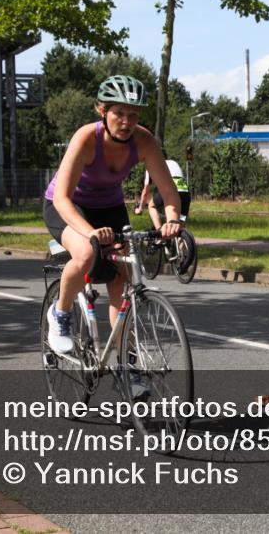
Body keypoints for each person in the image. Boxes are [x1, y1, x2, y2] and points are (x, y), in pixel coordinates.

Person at [43, 75, 183, 365]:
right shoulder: (85, 138)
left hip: (109, 206)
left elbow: (168, 191)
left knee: (124, 275)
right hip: (68, 205)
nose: (126, 121)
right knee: (85, 254)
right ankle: (60, 313)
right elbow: (62, 199)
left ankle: (126, 361)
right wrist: (91, 233)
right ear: (102, 111)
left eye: (133, 115)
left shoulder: (145, 141)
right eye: (119, 113)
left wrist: (172, 222)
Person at [134, 158, 191, 229]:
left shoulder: (150, 166)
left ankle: (159, 231)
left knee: (151, 206)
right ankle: (181, 238)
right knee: (180, 225)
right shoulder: (173, 162)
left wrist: (140, 208)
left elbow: (145, 192)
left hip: (171, 189)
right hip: (185, 191)